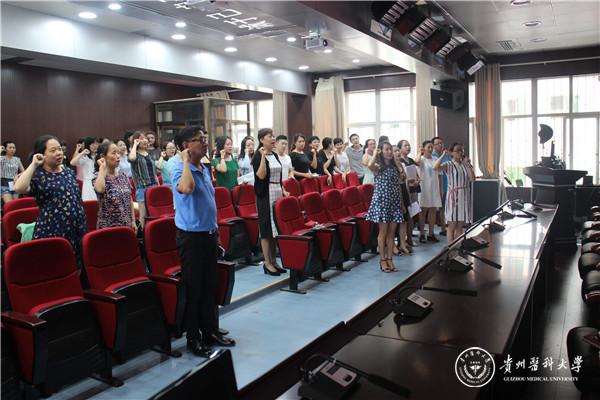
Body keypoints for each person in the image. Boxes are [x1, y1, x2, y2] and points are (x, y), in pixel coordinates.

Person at [173, 126, 235, 357]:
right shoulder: (179, 169)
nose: (205, 143)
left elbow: (209, 202)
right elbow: (187, 188)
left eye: (205, 139)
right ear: (186, 146)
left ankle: (210, 331)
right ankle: (193, 338)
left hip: (208, 234)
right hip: (191, 238)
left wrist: (215, 231)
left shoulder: (204, 168)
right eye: (200, 140)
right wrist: (185, 161)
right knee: (194, 289)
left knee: (210, 286)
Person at [14, 135, 86, 264]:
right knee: (55, 264)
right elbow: (19, 188)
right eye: (53, 150)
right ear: (42, 155)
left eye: (59, 149)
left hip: (76, 227)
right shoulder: (39, 175)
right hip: (52, 229)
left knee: (76, 264)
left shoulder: (68, 172)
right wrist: (34, 164)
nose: (59, 153)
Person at [252, 128, 289, 276]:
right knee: (266, 229)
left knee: (275, 229)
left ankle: (274, 261)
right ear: (262, 140)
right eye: (270, 136)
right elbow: (261, 175)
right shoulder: (257, 156)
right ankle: (267, 263)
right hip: (265, 195)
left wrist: (283, 189)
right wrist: (262, 156)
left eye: (274, 136)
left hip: (277, 192)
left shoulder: (274, 154)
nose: (273, 139)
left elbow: (278, 175)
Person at [366, 141, 405, 273]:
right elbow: (369, 165)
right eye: (386, 149)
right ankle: (382, 260)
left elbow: (398, 186)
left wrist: (401, 203)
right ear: (381, 151)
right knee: (383, 232)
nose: (389, 152)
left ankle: (390, 259)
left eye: (390, 150)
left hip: (394, 201)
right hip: (382, 202)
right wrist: (375, 154)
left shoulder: (394, 167)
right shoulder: (378, 166)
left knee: (391, 233)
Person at [434, 143, 475, 243]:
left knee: (460, 225)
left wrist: (468, 165)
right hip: (453, 196)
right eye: (458, 151)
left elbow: (472, 179)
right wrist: (443, 155)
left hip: (464, 196)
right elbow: (435, 167)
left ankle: (458, 246)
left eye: (462, 151)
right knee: (452, 225)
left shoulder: (464, 165)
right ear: (452, 153)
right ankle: (450, 247)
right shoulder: (449, 164)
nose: (460, 153)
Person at [93, 142, 136, 230]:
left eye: (118, 153)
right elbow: (100, 189)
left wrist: (133, 221)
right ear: (103, 156)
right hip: (108, 227)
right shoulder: (98, 176)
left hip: (126, 225)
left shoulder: (123, 176)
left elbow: (130, 200)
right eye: (114, 153)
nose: (118, 156)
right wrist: (102, 168)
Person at [129, 131, 159, 228]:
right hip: (142, 188)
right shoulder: (135, 154)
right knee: (143, 216)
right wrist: (134, 145)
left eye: (145, 138)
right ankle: (143, 235)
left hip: (154, 186)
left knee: (154, 214)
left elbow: (153, 172)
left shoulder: (147, 154)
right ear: (136, 141)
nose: (145, 140)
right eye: (141, 138)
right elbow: (131, 158)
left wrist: (158, 185)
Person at [415, 140, 442, 243]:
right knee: (423, 211)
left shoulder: (435, 159)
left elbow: (439, 174)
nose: (430, 149)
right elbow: (416, 162)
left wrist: (440, 189)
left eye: (432, 147)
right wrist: (419, 153)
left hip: (434, 188)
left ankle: (431, 233)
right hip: (424, 188)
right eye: (428, 147)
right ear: (424, 148)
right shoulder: (421, 159)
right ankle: (422, 234)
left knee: (433, 211)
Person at [398, 139, 420, 247]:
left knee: (412, 214)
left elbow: (416, 173)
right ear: (400, 149)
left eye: (409, 145)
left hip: (413, 189)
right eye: (405, 145)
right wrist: (409, 181)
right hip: (405, 190)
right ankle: (404, 239)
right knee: (405, 216)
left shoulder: (410, 160)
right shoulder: (399, 161)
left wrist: (417, 180)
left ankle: (410, 238)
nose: (408, 147)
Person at [393, 145, 411, 256]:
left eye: (398, 150)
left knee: (404, 220)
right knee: (395, 222)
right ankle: (393, 245)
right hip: (396, 193)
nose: (398, 153)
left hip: (404, 191)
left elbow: (405, 181)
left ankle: (402, 243)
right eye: (395, 151)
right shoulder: (391, 166)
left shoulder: (402, 164)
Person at [432, 136, 451, 237]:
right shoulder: (432, 156)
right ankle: (440, 228)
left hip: (448, 184)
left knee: (444, 207)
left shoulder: (447, 156)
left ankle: (444, 227)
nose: (440, 145)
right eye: (438, 143)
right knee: (437, 208)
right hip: (436, 185)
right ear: (433, 145)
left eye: (441, 143)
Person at [70, 136, 99, 201]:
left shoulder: (99, 156)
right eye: (92, 144)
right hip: (88, 184)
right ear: (88, 145)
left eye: (96, 144)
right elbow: (72, 163)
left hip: (98, 182)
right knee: (89, 202)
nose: (95, 146)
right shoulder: (84, 157)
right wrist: (82, 153)